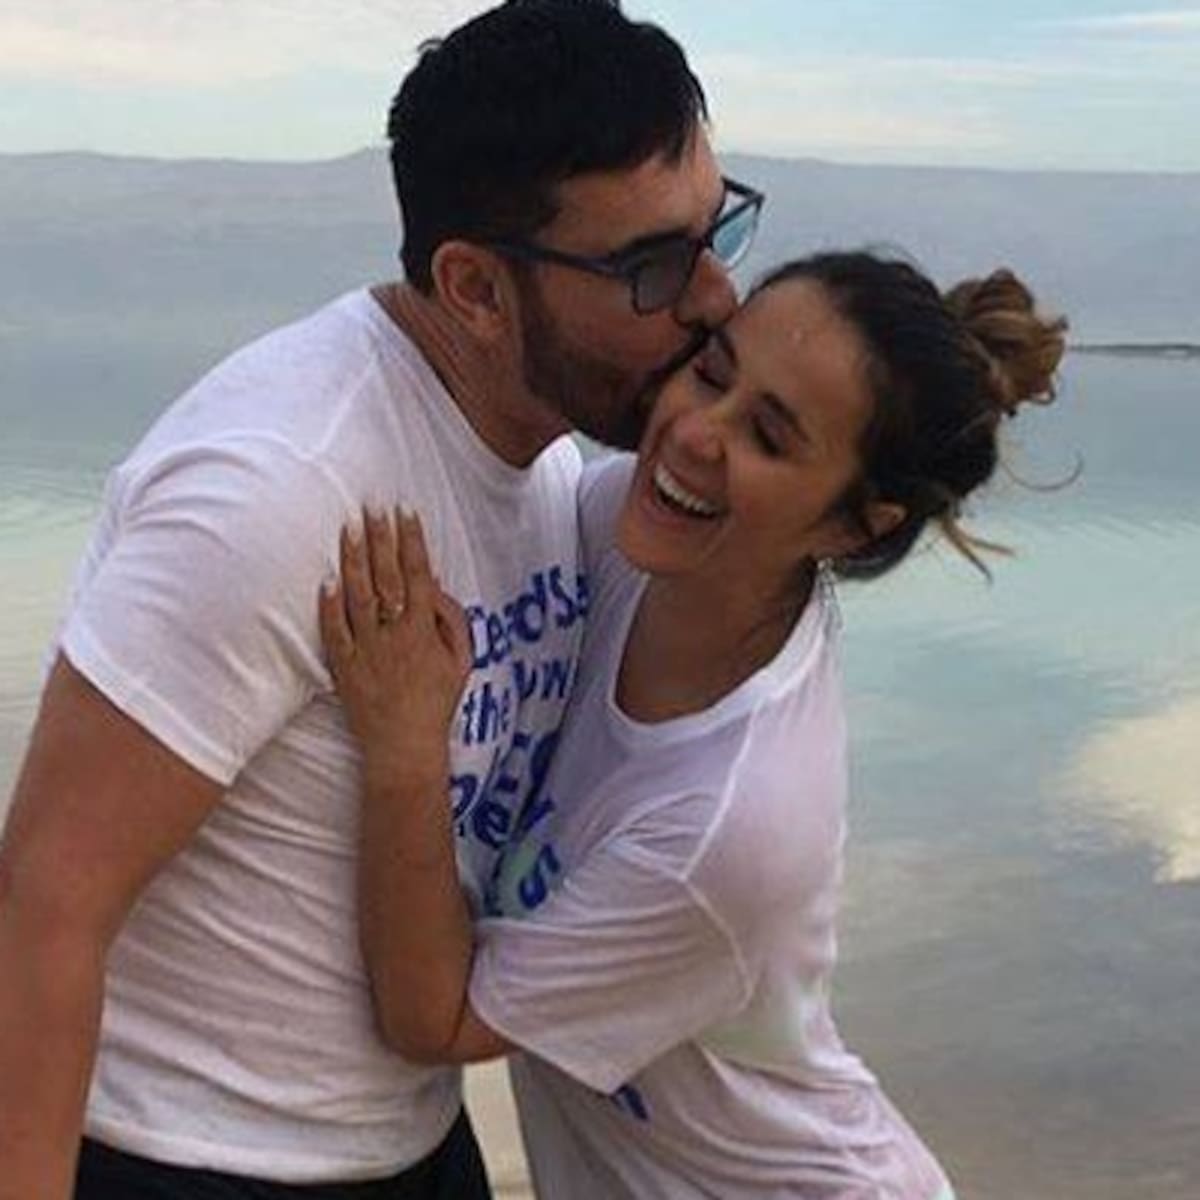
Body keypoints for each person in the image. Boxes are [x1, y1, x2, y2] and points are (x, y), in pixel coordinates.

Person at [0, 3, 758, 1197]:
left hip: (408, 1139)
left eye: (716, 233)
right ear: (476, 288)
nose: (716, 298)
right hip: (186, 1160)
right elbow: (44, 903)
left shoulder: (544, 464)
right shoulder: (278, 489)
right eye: (652, 268)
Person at [320, 251, 1068, 1198]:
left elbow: (438, 1022)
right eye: (712, 372)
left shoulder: (731, 823)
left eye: (769, 436)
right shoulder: (620, 533)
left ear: (857, 527)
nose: (694, 433)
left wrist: (402, 751)